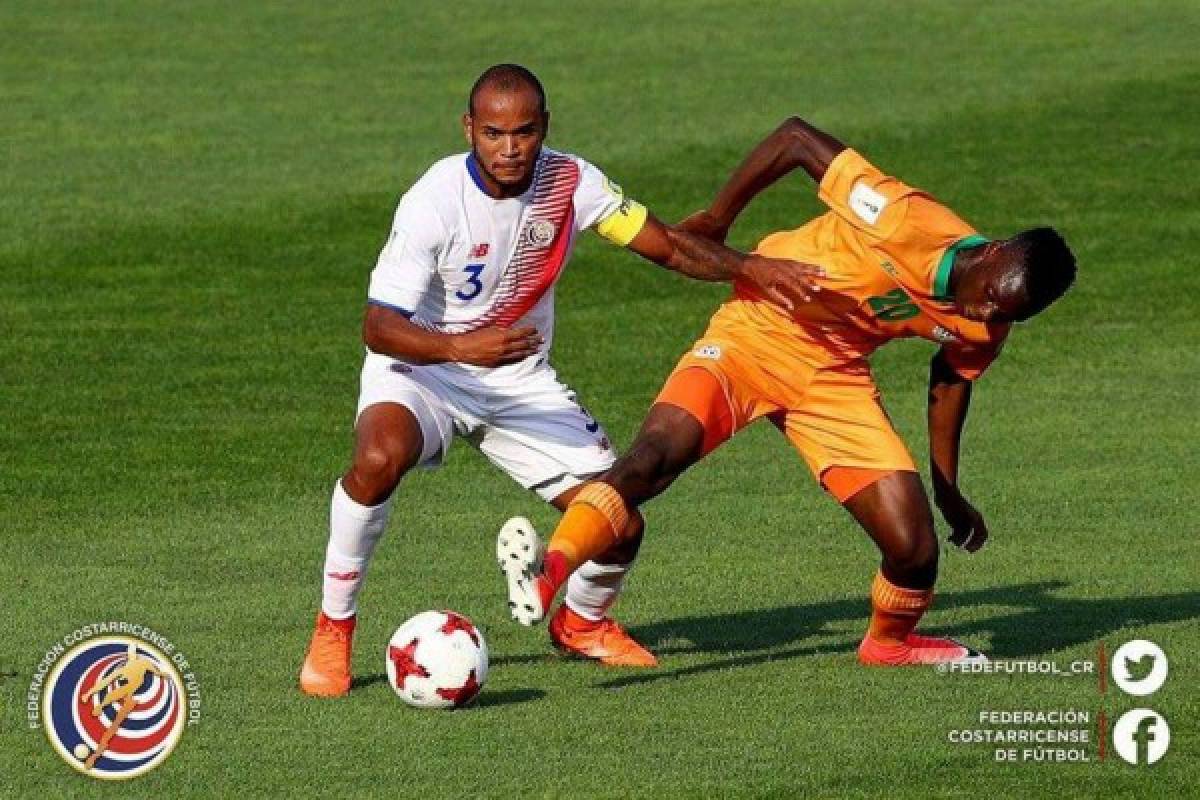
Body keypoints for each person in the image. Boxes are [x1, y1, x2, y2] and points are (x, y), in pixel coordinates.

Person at [299, 68, 822, 696]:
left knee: (620, 520)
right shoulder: (434, 199)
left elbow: (670, 248)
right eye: (493, 133)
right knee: (379, 456)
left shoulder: (573, 183)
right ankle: (334, 628)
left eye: (524, 132)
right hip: (426, 368)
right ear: (470, 128)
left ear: (544, 127)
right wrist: (463, 345)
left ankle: (581, 621)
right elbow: (379, 327)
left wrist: (750, 267)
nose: (509, 148)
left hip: (518, 380)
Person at [499, 116, 1077, 666]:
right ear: (995, 251)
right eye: (991, 296)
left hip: (833, 377)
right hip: (756, 332)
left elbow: (951, 378)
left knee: (914, 546)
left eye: (1009, 313)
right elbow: (796, 139)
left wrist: (948, 487)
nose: (985, 311)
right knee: (652, 459)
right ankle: (550, 572)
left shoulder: (990, 321)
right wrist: (721, 218)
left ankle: (889, 645)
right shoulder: (903, 220)